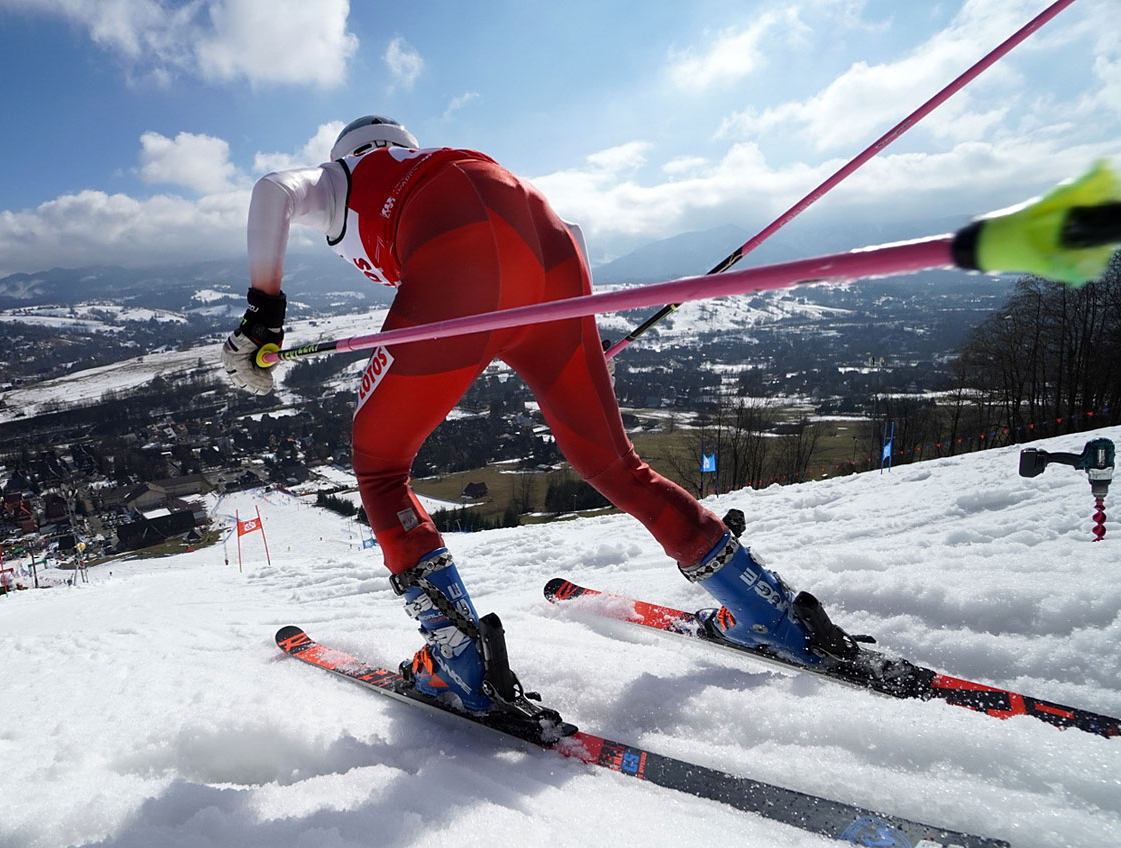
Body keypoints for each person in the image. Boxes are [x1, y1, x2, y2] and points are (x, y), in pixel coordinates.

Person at [222, 115, 857, 730]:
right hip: (550, 256)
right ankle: (764, 609)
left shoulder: (349, 175)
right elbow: (572, 234)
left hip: (459, 251)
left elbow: (273, 190)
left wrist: (263, 311)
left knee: (380, 465)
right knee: (613, 463)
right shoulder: (433, 159)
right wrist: (568, 346)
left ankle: (458, 660)